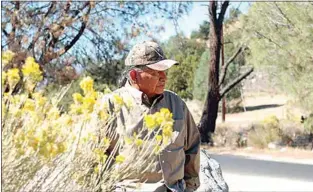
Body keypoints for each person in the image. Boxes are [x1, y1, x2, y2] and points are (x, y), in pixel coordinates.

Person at [110, 41, 200, 192]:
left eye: (164, 71)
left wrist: (189, 187)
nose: (163, 77)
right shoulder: (111, 105)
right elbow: (96, 158)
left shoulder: (176, 103)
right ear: (134, 76)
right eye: (155, 72)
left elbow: (192, 145)